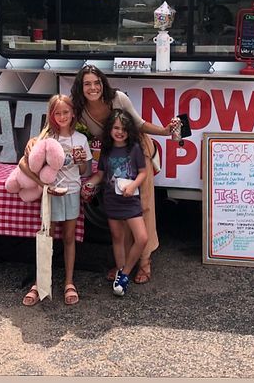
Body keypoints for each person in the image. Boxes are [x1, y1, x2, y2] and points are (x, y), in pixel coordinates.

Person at [70, 64, 178, 283]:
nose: (93, 88)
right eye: (87, 84)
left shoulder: (118, 98)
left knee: (143, 208)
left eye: (97, 82)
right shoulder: (78, 108)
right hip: (113, 158)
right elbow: (59, 125)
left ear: (103, 83)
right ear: (80, 87)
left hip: (138, 153)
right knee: (120, 211)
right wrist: (37, 142)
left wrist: (165, 132)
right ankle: (124, 265)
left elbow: (139, 124)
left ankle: (145, 262)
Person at [21, 94, 92, 307]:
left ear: (73, 114)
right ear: (51, 115)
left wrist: (80, 162)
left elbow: (85, 170)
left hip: (71, 192)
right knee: (47, 237)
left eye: (66, 112)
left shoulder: (81, 139)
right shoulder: (44, 138)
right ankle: (40, 282)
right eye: (57, 113)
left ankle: (69, 282)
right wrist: (42, 185)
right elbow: (24, 164)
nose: (62, 116)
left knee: (69, 238)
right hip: (49, 195)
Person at [83, 110, 147, 296]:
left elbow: (142, 172)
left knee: (141, 238)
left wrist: (134, 184)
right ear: (110, 129)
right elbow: (101, 174)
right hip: (112, 200)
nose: (120, 132)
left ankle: (125, 273)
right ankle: (120, 271)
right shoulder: (107, 149)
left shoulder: (134, 148)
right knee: (117, 238)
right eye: (116, 128)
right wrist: (89, 184)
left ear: (130, 131)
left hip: (131, 201)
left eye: (124, 129)